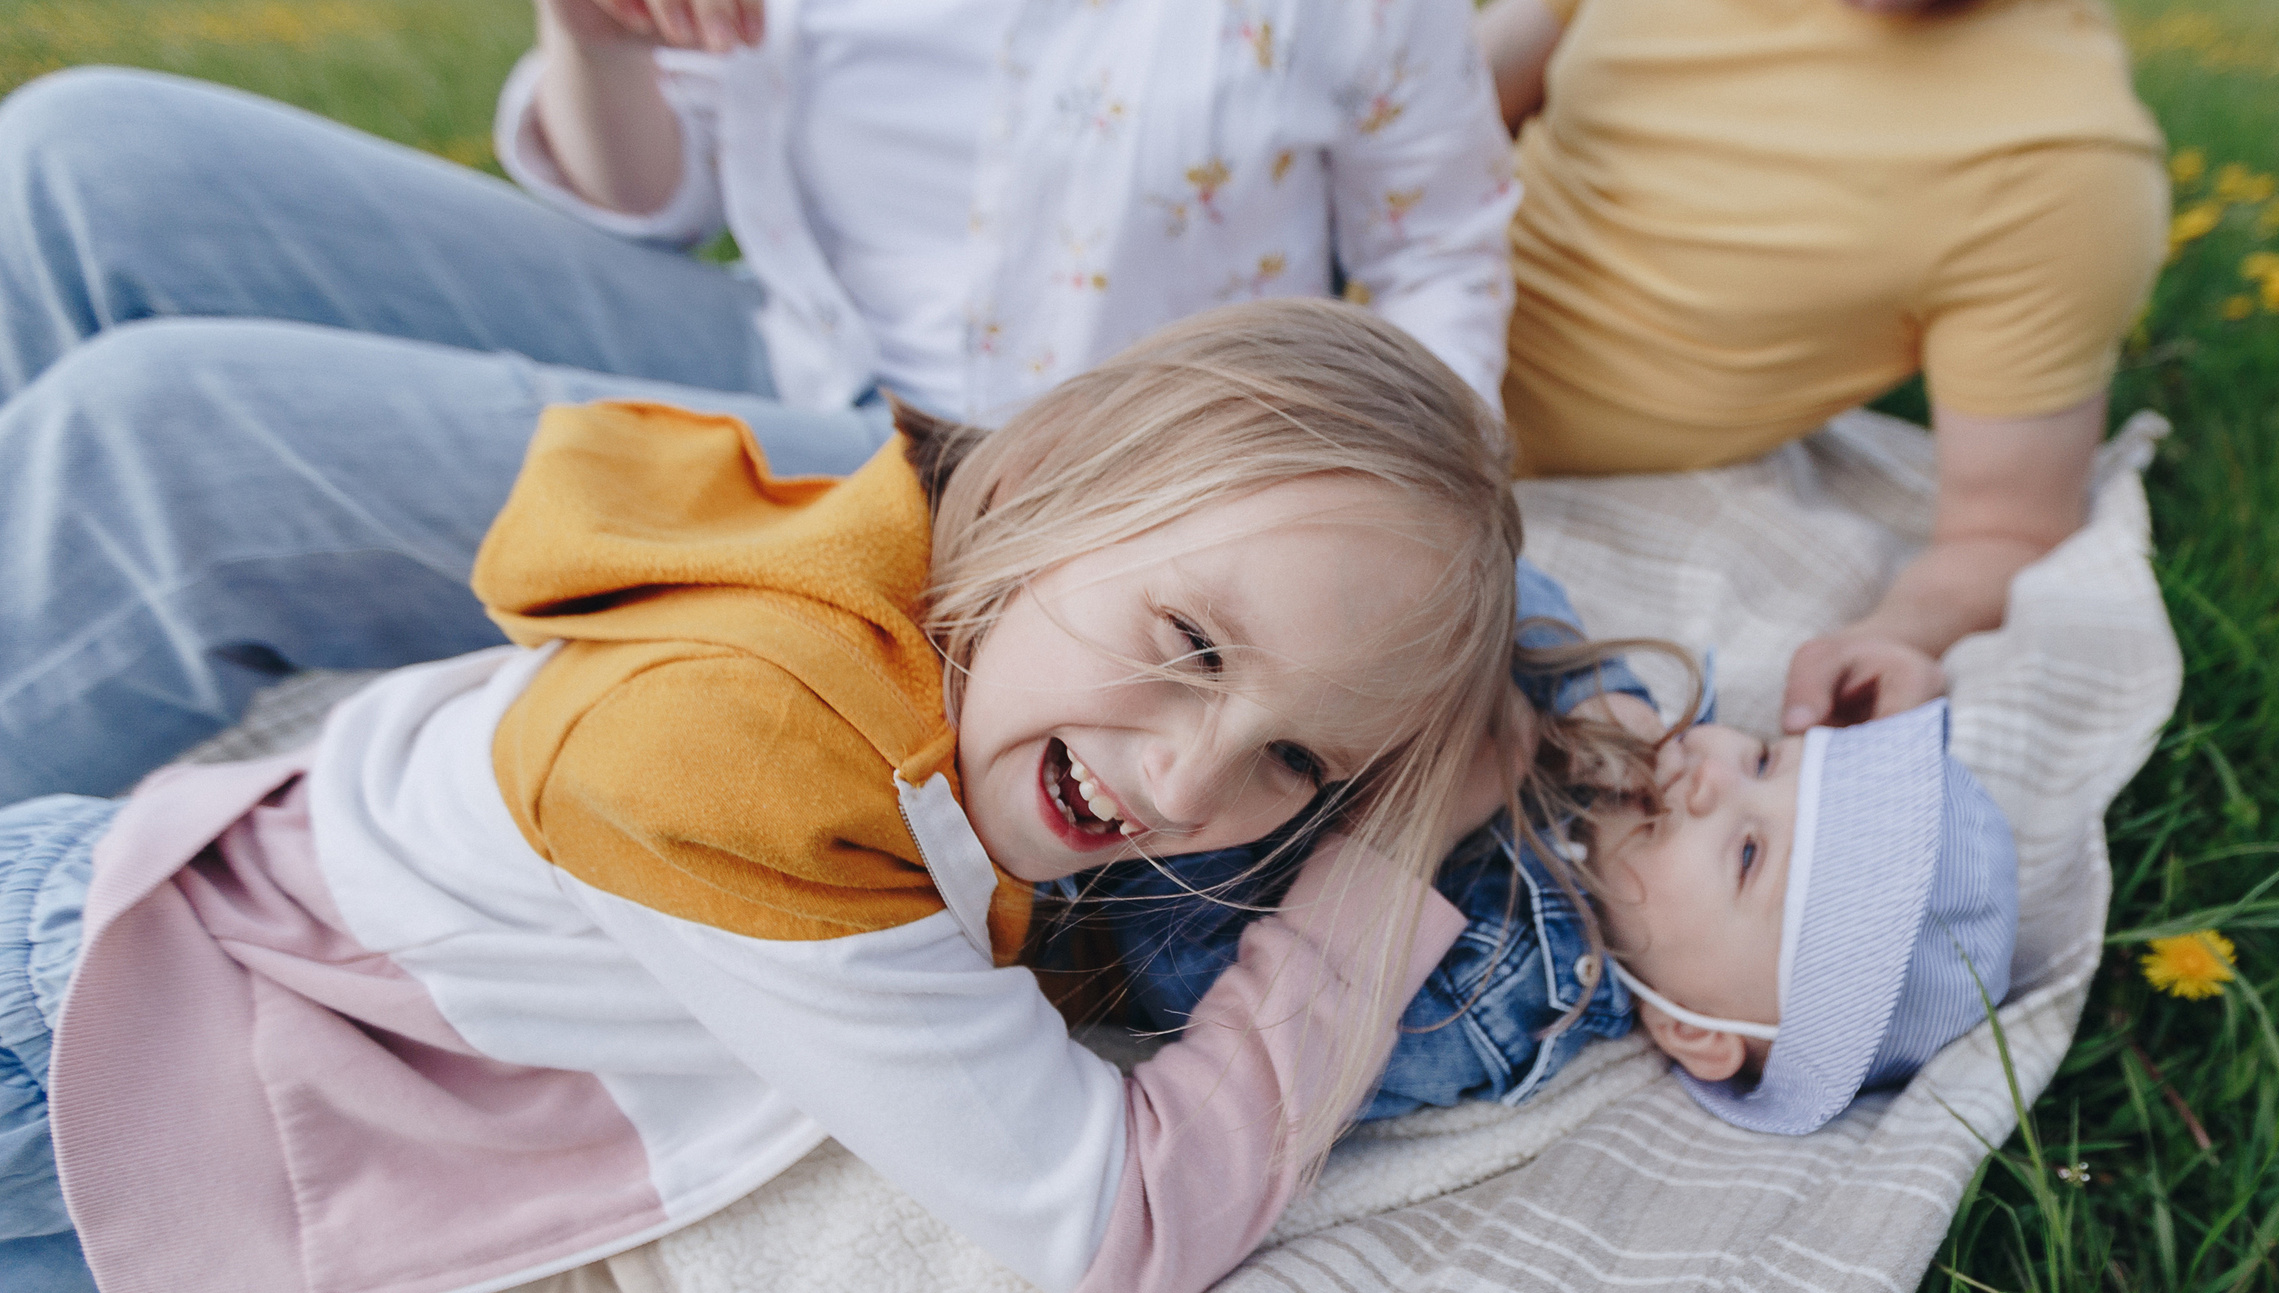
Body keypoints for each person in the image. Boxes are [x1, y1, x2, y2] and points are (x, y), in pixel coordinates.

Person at [0, 301, 1521, 1293]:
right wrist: (1376, 887)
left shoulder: (944, 621)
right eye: (1188, 645)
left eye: (1297, 764)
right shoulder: (746, 762)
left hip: (165, 1064)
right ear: (1047, 482)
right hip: (79, 1054)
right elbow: (1127, 1223)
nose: (1191, 778)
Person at [0, 0, 1515, 806]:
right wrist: (595, 40)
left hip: (1032, 489)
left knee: (168, 448)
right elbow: (654, 207)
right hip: (781, 347)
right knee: (82, 156)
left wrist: (1417, 533)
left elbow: (1440, 247)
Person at [1476, 0, 2168, 738]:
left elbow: (2006, 530)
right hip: (1374, 308)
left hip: (1499, 478)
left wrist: (1893, 633)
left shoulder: (2063, 162)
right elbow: (1434, 101)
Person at [1070, 626, 2017, 1135]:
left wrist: (1401, 825)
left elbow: (1186, 987)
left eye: (1745, 853)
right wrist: (1583, 688)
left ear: (1694, 1028)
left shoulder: (1503, 994)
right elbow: (1479, 572)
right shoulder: (1623, 733)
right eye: (1765, 759)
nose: (1712, 775)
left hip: (1123, 826)